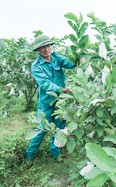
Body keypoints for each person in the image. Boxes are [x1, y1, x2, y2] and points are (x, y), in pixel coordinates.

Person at [25, 34, 76, 162]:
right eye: (42, 48)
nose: (46, 49)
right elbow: (45, 83)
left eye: (48, 46)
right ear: (38, 50)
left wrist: (77, 58)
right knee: (42, 128)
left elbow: (69, 63)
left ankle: (55, 153)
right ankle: (29, 156)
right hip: (46, 101)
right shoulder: (36, 65)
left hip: (61, 100)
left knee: (59, 127)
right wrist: (61, 89)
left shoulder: (56, 57)